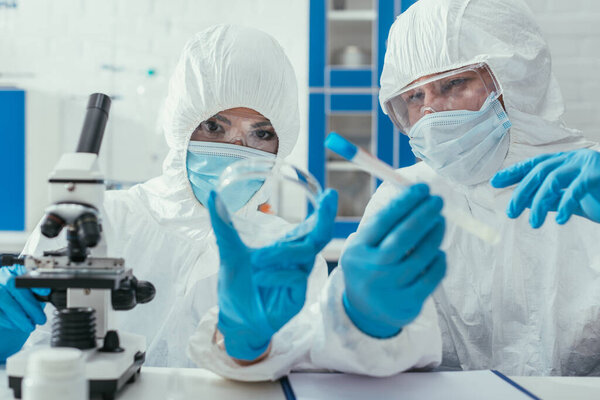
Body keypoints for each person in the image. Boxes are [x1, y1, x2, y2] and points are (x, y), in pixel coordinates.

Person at [0, 25, 445, 380]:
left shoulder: (287, 251)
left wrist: (256, 342)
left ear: (280, 146)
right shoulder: (102, 218)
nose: (237, 147)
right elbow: (26, 351)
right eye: (214, 126)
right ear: (180, 124)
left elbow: (305, 371)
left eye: (261, 133)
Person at [354, 0, 600, 376]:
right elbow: (359, 363)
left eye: (453, 83)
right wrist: (362, 317)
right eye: (414, 97)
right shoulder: (403, 199)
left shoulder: (588, 184)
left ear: (514, 77)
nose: (432, 113)